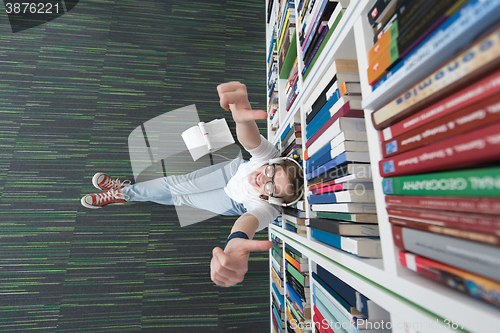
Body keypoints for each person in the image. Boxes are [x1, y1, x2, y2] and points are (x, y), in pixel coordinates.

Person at [80, 81, 304, 287]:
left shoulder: (269, 209)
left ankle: (125, 193)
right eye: (271, 172)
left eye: (271, 187)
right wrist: (242, 120)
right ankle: (125, 192)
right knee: (176, 185)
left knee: (182, 197)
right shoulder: (270, 158)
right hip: (232, 171)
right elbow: (251, 141)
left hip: (231, 202)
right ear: (274, 163)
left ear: (272, 199)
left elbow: (247, 222)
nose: (263, 178)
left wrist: (236, 242)